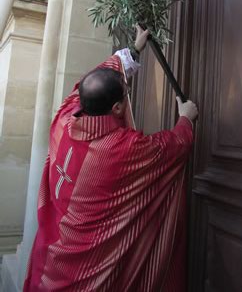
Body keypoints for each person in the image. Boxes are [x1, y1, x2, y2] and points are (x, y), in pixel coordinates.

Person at [23, 26, 198, 292]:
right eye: (124, 97)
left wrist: (133, 51)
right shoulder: (118, 149)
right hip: (82, 274)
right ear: (117, 108)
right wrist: (186, 118)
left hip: (50, 254)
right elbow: (172, 148)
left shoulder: (65, 116)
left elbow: (97, 76)